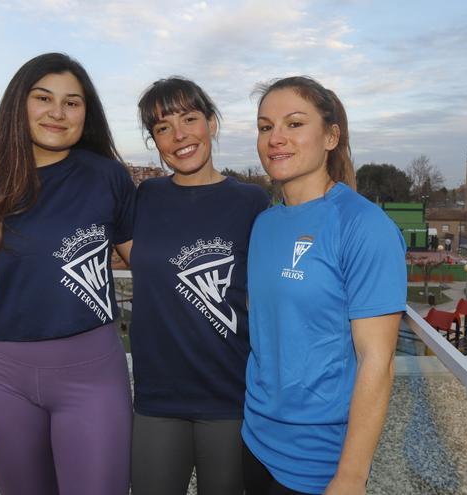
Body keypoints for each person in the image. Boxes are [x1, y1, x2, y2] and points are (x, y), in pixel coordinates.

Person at [0, 53, 134, 495]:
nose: (58, 113)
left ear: (88, 112)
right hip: (4, 380)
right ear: (18, 105)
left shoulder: (107, 178)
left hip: (94, 374)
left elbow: (150, 260)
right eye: (43, 98)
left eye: (73, 102)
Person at [243, 76, 407, 494]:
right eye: (265, 127)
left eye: (294, 124)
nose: (276, 138)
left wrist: (351, 476)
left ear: (331, 136)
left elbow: (377, 360)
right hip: (255, 443)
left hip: (320, 462)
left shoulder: (364, 226)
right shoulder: (264, 224)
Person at [130, 77, 270, 495]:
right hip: (157, 397)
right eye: (162, 128)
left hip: (230, 397)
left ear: (211, 123)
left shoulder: (251, 202)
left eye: (190, 119)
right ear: (154, 140)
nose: (179, 136)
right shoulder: (145, 198)